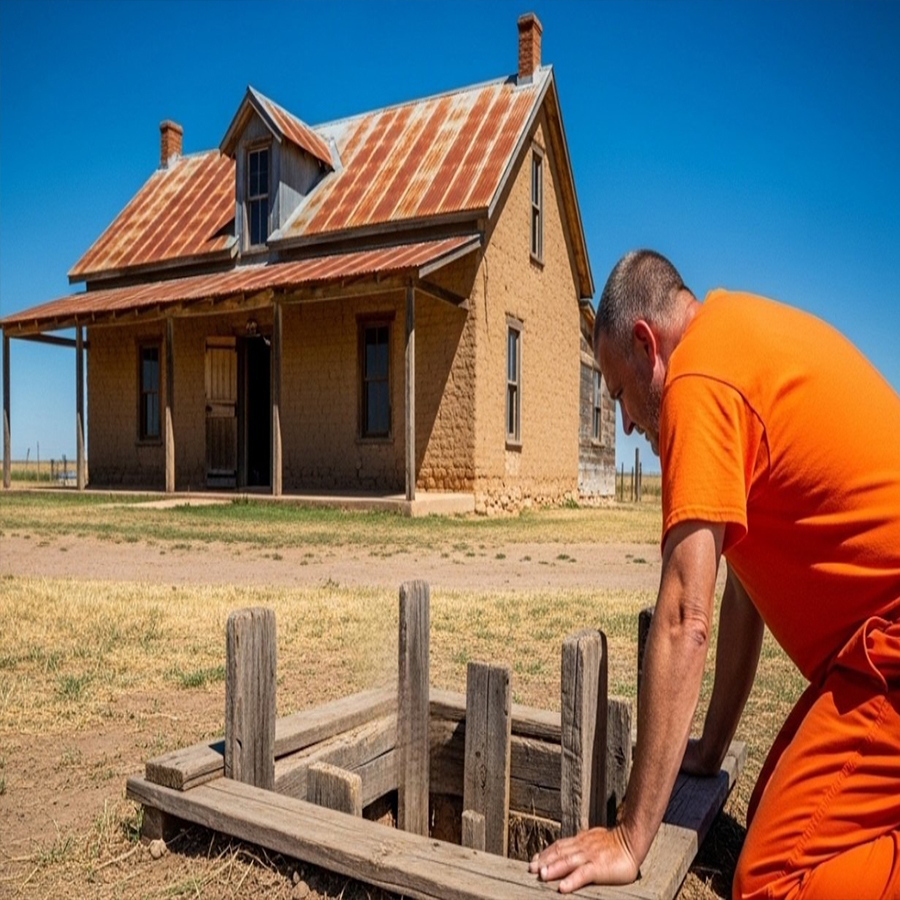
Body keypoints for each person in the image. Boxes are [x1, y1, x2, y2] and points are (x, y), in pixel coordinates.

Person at [530, 250, 900, 899]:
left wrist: (628, 838)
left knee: (774, 880)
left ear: (646, 343)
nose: (624, 423)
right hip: (867, 654)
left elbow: (684, 619)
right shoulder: (734, 339)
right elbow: (741, 597)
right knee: (772, 816)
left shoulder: (700, 380)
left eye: (619, 393)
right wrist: (709, 748)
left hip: (888, 649)